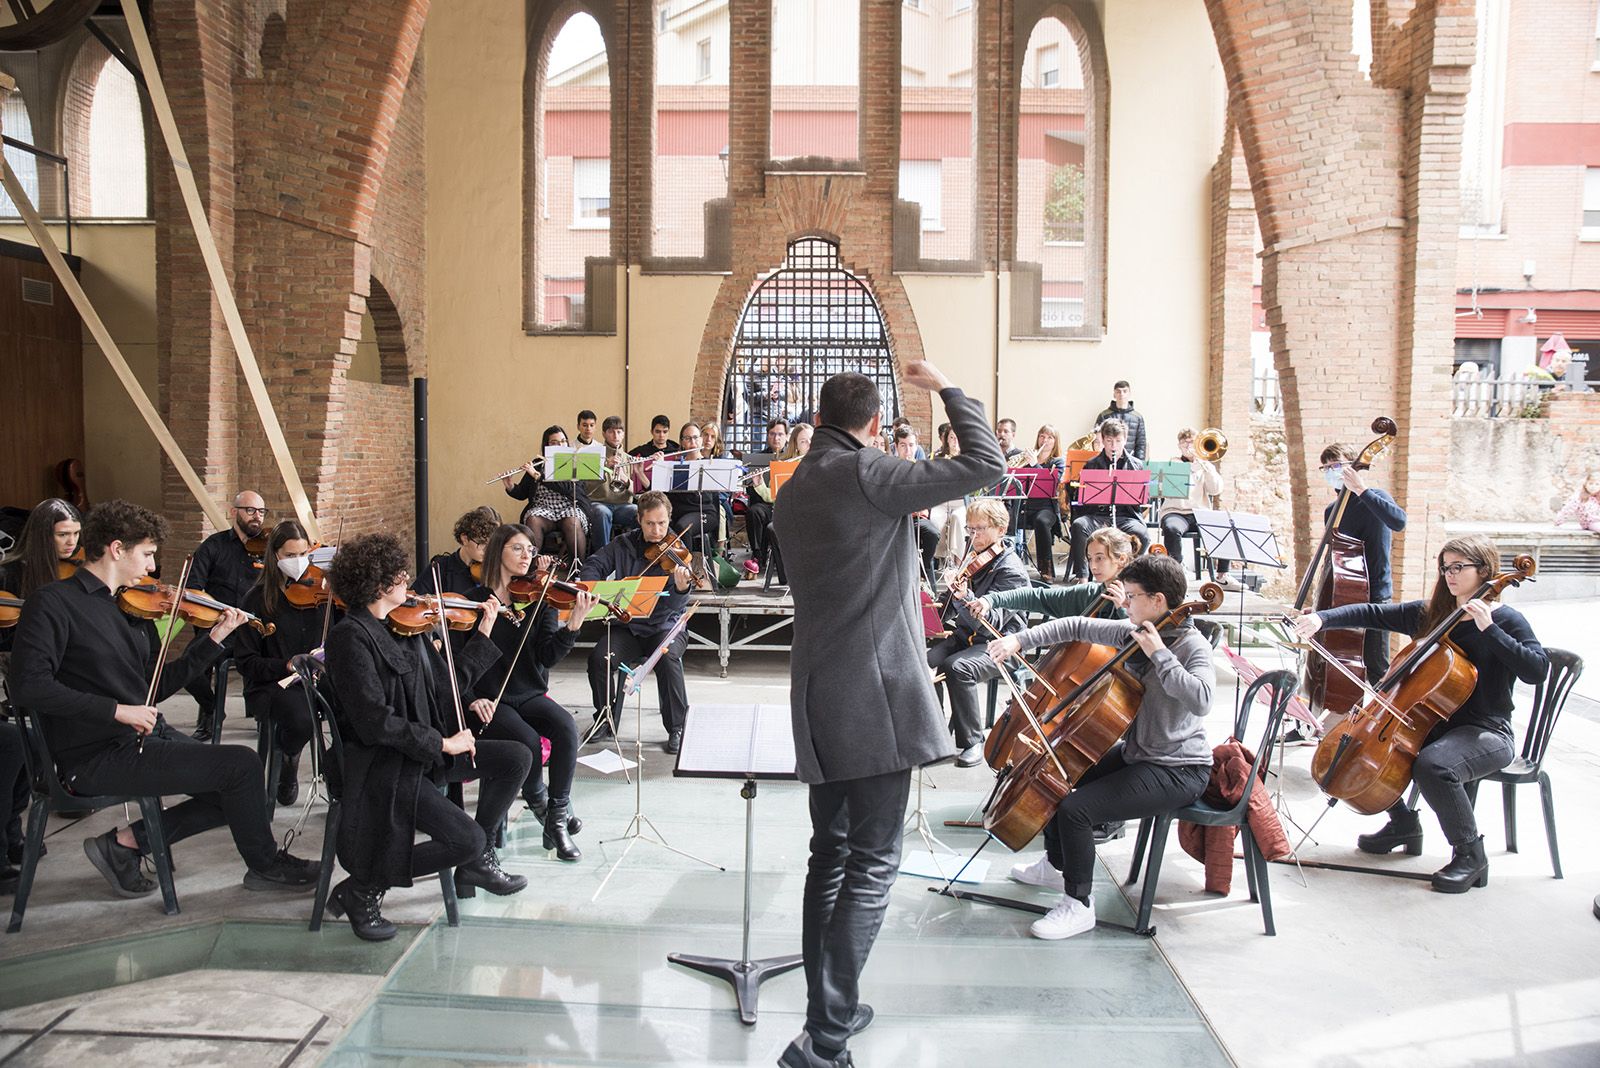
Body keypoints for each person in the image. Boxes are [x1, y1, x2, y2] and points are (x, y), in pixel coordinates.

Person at [774, 360, 1004, 1068]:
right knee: (873, 861)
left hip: (817, 688)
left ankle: (829, 1009)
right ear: (874, 424)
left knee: (829, 855)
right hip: (871, 694)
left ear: (818, 419)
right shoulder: (870, 470)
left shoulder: (793, 484)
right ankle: (825, 1040)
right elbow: (986, 463)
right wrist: (946, 387)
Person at [10, 499, 319, 899]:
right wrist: (117, 711)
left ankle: (126, 843)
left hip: (141, 738)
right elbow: (29, 687)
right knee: (241, 765)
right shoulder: (52, 603)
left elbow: (155, 688)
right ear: (117, 549)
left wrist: (214, 639)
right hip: (92, 755)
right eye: (148, 554)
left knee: (241, 789)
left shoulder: (126, 609)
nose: (153, 567)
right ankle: (266, 866)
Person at [1292, 534, 1548, 893]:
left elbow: (1537, 670)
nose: (1449, 575)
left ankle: (1471, 855)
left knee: (1434, 764)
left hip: (1487, 731)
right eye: (1445, 568)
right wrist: (1322, 619)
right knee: (1371, 752)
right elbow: (1374, 613)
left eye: (1458, 567)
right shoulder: (1434, 615)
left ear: (1484, 570)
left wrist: (1489, 629)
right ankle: (1403, 824)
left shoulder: (1505, 619)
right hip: (1435, 725)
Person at [987, 553, 1214, 939]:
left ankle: (1079, 904)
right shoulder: (1136, 630)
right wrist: (1018, 639)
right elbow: (1076, 625)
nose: (1125, 604)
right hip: (1138, 754)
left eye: (1132, 596)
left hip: (1178, 769)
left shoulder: (1191, 646)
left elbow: (1202, 699)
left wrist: (1160, 655)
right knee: (1058, 772)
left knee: (1076, 810)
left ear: (1158, 600)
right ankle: (1056, 866)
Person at [323, 532, 530, 941]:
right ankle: (362, 889)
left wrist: (484, 634)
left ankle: (477, 860)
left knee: (516, 757)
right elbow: (374, 722)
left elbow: (447, 689)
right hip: (383, 766)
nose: (409, 582)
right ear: (378, 585)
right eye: (400, 576)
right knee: (464, 839)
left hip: (417, 754)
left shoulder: (406, 628)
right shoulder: (350, 638)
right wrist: (443, 744)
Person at [460, 524, 594, 861]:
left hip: (528, 694)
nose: (527, 556)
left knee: (566, 727)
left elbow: (548, 656)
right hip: (491, 700)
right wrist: (471, 699)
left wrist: (573, 625)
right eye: (518, 548)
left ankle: (557, 816)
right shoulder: (475, 601)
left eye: (530, 550)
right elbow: (456, 662)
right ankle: (544, 812)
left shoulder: (540, 599)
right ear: (498, 552)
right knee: (528, 741)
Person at [0, 498, 81, 887]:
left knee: (30, 748)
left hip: (57, 669)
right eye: (62, 535)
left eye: (76, 534)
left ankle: (14, 831)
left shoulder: (73, 573)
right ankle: (11, 834)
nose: (71, 542)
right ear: (40, 536)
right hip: (18, 672)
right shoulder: (10, 573)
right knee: (21, 745)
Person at [577, 492, 695, 753]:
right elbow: (594, 564)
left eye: (662, 523)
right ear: (639, 520)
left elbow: (676, 607)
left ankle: (677, 727)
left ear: (669, 519)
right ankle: (604, 718)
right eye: (650, 523)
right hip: (628, 627)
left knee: (667, 658)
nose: (657, 531)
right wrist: (591, 585)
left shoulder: (678, 552)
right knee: (599, 658)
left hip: (664, 626)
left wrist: (681, 588)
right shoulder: (623, 544)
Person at [233, 519, 338, 807]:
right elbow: (246, 662)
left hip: (319, 678)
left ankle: (336, 772)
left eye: (303, 554)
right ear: (275, 555)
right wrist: (287, 665)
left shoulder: (324, 592)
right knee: (301, 719)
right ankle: (289, 758)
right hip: (274, 684)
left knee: (357, 708)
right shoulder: (256, 600)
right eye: (290, 555)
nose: (298, 561)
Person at [926, 498, 1029, 767]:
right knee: (922, 663)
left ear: (1000, 530)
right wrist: (931, 609)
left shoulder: (1011, 571)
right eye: (970, 529)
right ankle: (935, 735)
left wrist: (964, 597)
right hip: (966, 638)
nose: (973, 536)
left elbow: (989, 623)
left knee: (957, 667)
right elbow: (949, 609)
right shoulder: (972, 559)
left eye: (980, 529)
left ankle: (973, 742)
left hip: (1002, 643)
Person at [1317, 442, 1408, 682]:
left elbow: (1399, 522)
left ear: (1353, 466)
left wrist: (1361, 489)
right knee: (1341, 664)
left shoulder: (1375, 497)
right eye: (1326, 467)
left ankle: (1385, 706)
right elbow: (1333, 559)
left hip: (1375, 594)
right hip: (1341, 596)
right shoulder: (1332, 510)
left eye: (1336, 465)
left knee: (1376, 666)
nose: (1331, 471)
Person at [187, 490, 270, 740]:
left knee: (272, 659)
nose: (257, 516)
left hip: (257, 629)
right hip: (221, 627)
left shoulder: (269, 550)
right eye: (250, 510)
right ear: (234, 512)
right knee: (190, 667)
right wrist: (218, 613)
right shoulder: (214, 546)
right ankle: (212, 710)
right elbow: (193, 587)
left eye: (261, 512)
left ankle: (263, 712)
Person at [1065, 418, 1150, 581]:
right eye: (1109, 441)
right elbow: (1083, 499)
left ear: (1125, 440)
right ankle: (1083, 579)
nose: (1113, 446)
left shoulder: (1136, 465)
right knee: (1079, 526)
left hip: (1125, 516)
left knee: (1142, 534)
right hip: (1097, 515)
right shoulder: (1092, 464)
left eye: (1118, 441)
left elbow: (1143, 499)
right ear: (1103, 440)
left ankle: (1128, 576)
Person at [503, 425, 594, 562]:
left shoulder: (574, 462)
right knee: (533, 519)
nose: (560, 445)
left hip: (569, 507)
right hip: (543, 508)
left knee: (573, 522)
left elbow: (568, 488)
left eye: (563, 441)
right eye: (554, 442)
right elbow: (522, 493)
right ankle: (533, 567)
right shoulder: (538, 464)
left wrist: (538, 476)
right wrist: (510, 486)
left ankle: (578, 569)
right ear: (546, 445)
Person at [1159, 428, 1230, 581]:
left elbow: (1216, 490)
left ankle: (1223, 574)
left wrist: (1206, 466)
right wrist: (1193, 467)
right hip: (1176, 512)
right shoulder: (1173, 463)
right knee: (1172, 528)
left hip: (1200, 513)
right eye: (1184, 443)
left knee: (1225, 525)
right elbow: (1165, 489)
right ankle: (1177, 571)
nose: (1188, 446)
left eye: (1192, 442)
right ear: (1179, 446)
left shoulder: (1204, 466)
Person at [415, 506, 500, 597]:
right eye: (482, 544)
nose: (489, 551)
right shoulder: (441, 569)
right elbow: (415, 599)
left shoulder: (497, 570)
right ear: (465, 539)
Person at [745, 418, 790, 578]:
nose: (776, 438)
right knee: (754, 512)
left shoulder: (792, 457)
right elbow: (750, 491)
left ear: (787, 436)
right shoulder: (757, 458)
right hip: (763, 505)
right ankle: (758, 555)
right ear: (767, 435)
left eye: (780, 434)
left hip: (785, 506)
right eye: (772, 434)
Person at [1019, 424, 1066, 580]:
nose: (1045, 440)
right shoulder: (1026, 459)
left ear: (1055, 441)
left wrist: (1035, 464)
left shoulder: (1058, 462)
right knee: (1003, 519)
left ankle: (1047, 570)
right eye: (1042, 436)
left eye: (1050, 437)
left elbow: (1053, 483)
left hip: (1047, 508)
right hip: (1025, 505)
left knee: (1041, 521)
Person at [666, 422, 721, 554]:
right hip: (678, 513)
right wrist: (660, 465)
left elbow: (708, 498)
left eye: (696, 438)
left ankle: (686, 565)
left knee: (683, 527)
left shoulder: (708, 465)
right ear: (682, 442)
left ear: (701, 440)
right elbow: (663, 494)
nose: (692, 442)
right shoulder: (674, 466)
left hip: (704, 512)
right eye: (688, 438)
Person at [585, 416, 640, 546]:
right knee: (601, 512)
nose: (615, 435)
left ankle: (633, 552)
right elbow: (586, 488)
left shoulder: (629, 459)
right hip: (599, 503)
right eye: (611, 431)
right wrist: (605, 468)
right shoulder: (594, 457)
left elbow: (638, 493)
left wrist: (625, 480)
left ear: (623, 434)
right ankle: (602, 554)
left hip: (623, 506)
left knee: (639, 511)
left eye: (619, 432)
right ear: (604, 434)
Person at [1094, 380, 1147, 461]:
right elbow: (1098, 441)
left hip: (1129, 462)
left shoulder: (1138, 417)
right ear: (1114, 394)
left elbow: (1141, 444)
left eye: (1125, 391)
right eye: (1118, 391)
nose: (1121, 394)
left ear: (1129, 394)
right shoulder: (1104, 415)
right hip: (1107, 461)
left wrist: (1139, 463)